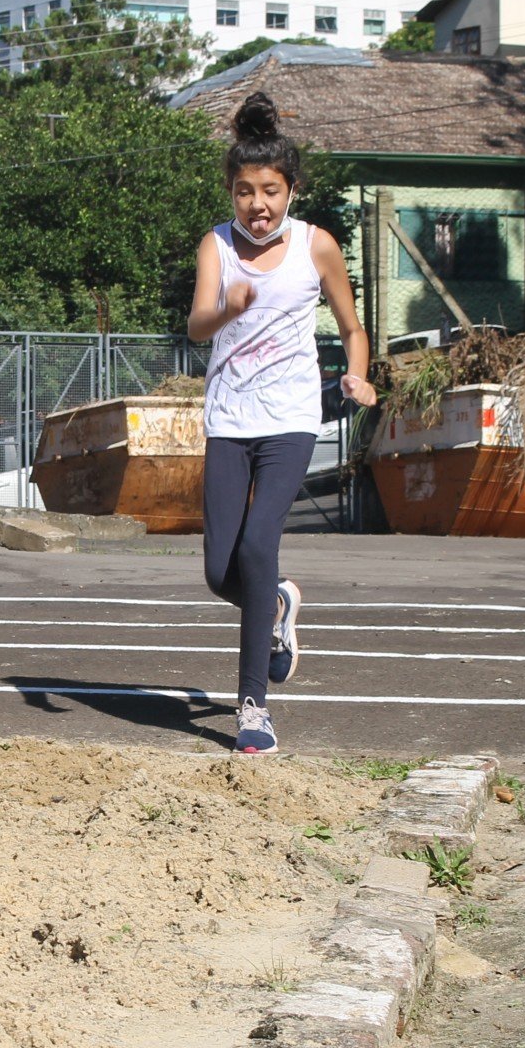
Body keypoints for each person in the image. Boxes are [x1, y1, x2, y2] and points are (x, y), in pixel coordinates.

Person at [186, 92, 375, 755]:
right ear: (231, 194)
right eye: (244, 192)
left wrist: (358, 374)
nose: (257, 204)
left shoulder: (315, 246)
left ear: (291, 190)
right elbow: (197, 323)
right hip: (230, 417)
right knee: (218, 572)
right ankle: (275, 606)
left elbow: (353, 328)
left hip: (292, 417)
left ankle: (252, 709)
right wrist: (228, 308)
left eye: (269, 190)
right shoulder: (217, 245)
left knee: (258, 546)